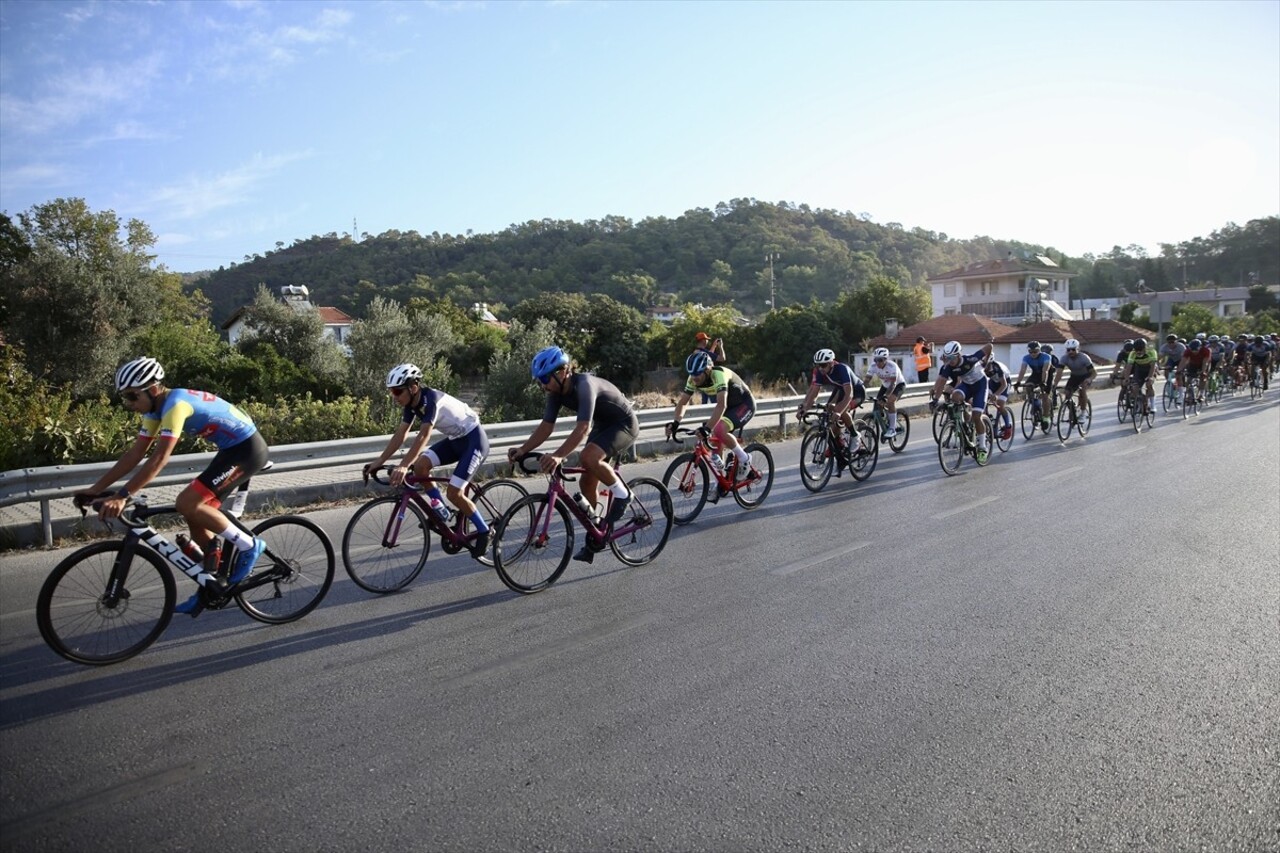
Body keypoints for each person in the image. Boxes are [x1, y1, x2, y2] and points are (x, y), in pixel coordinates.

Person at [77, 357, 269, 615]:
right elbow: (134, 455)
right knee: (194, 516)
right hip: (230, 451)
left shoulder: (175, 405)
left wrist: (123, 495)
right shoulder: (154, 411)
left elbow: (159, 458)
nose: (129, 403)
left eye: (132, 396)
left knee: (186, 502)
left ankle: (249, 545)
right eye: (125, 398)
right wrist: (95, 489)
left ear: (153, 389)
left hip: (247, 451)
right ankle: (212, 585)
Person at [508, 346, 639, 562]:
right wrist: (523, 449)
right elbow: (546, 427)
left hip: (623, 424)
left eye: (544, 379)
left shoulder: (584, 384)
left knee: (588, 457)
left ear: (562, 372)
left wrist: (559, 456)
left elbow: (582, 428)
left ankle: (624, 495)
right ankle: (598, 531)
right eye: (538, 380)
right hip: (603, 425)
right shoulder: (555, 391)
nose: (542, 385)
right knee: (586, 481)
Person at [363, 363, 492, 559]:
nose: (394, 397)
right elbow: (401, 435)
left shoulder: (430, 399)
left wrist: (404, 465)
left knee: (454, 493)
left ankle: (484, 531)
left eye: (397, 391)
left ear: (413, 388)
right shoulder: (411, 405)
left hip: (474, 440)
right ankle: (442, 511)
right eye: (391, 392)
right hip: (456, 441)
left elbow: (423, 436)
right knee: (421, 467)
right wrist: (379, 461)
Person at [666, 351, 757, 482]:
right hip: (728, 407)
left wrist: (707, 428)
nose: (694, 377)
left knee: (718, 430)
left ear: (708, 370)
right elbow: (683, 403)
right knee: (715, 441)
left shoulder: (718, 375)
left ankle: (744, 458)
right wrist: (675, 422)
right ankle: (720, 481)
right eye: (692, 374)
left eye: (698, 374)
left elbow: (721, 404)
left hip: (744, 405)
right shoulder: (693, 379)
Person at [796, 348, 867, 473]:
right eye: (818, 366)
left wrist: (838, 411)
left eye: (823, 365)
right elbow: (813, 392)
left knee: (842, 411)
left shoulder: (842, 369)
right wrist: (804, 408)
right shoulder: (819, 372)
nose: (821, 368)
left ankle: (855, 436)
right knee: (829, 410)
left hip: (856, 392)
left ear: (831, 363)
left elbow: (849, 395)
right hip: (840, 390)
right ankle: (838, 442)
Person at [928, 341, 994, 463]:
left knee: (976, 416)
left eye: (952, 357)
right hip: (967, 385)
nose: (950, 360)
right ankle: (961, 423)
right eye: (947, 357)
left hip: (980, 386)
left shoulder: (970, 359)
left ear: (959, 355)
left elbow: (989, 346)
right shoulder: (948, 365)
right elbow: (942, 381)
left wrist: (986, 362)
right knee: (954, 397)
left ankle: (982, 447)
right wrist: (935, 400)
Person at [863, 347, 906, 439]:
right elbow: (867, 380)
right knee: (878, 404)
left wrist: (886, 397)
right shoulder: (873, 366)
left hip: (898, 385)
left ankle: (892, 428)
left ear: (886, 359)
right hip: (885, 385)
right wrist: (861, 390)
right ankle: (885, 421)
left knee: (890, 401)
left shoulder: (892, 366)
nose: (878, 362)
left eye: (880, 360)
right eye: (876, 360)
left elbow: (893, 384)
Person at [1013, 341, 1054, 433]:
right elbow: (1023, 370)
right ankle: (1035, 404)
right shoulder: (1026, 358)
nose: (1033, 354)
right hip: (1035, 374)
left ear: (1039, 350)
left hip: (1047, 374)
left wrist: (1043, 383)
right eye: (1030, 352)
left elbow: (1045, 371)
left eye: (1035, 351)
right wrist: (1018, 382)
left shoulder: (1046, 356)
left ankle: (1046, 417)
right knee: (1028, 386)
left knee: (1045, 395)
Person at [1118, 337, 1159, 416]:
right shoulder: (1132, 353)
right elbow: (1129, 367)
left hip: (1150, 369)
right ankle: (1140, 403)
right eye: (1137, 350)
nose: (1138, 352)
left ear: (1145, 347)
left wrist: (1150, 377)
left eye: (1140, 349)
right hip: (1139, 370)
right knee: (1135, 388)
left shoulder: (1151, 351)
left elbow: (1153, 366)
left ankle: (1153, 405)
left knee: (1149, 385)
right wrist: (1126, 378)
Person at [1060, 339, 1097, 414]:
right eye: (1068, 350)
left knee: (1082, 391)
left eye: (1073, 349)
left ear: (1078, 349)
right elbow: (1059, 372)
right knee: (1067, 393)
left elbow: (1094, 373)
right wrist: (1055, 383)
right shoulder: (1064, 358)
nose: (1071, 352)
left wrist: (1089, 379)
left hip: (1086, 376)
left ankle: (1083, 412)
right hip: (1074, 376)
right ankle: (1073, 411)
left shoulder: (1084, 357)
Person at [983, 356, 1014, 440]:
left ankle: (1008, 426)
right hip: (992, 382)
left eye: (987, 364)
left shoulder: (997, 367)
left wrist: (996, 395)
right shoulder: (980, 367)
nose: (984, 366)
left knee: (1000, 404)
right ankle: (988, 419)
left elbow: (1003, 384)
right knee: (983, 401)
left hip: (1004, 382)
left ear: (990, 362)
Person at [692, 332, 727, 403]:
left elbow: (709, 356)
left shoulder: (696, 351)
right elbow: (722, 358)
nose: (707, 341)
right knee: (714, 404)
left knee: (705, 403)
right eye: (707, 339)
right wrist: (721, 347)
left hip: (701, 382)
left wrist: (714, 346)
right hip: (709, 383)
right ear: (703, 341)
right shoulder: (704, 353)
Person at [1159, 334, 1187, 400]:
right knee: (1166, 371)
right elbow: (1159, 357)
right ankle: (1170, 383)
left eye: (1173, 342)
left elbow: (1184, 359)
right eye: (1169, 342)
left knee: (1178, 375)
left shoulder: (1181, 347)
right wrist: (1158, 365)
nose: (1171, 344)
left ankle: (1181, 393)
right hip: (1171, 360)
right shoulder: (1164, 347)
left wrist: (1179, 369)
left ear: (1176, 341)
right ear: (1167, 342)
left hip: (1180, 360)